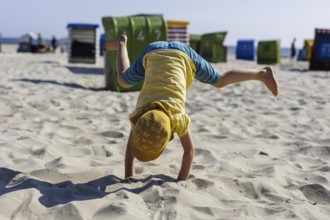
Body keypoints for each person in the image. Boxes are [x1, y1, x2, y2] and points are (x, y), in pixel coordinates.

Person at [104, 35, 278, 181]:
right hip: (163, 52)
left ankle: (262, 74)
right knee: (220, 80)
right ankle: (259, 74)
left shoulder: (173, 118)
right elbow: (188, 151)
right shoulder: (143, 114)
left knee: (123, 81)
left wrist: (180, 180)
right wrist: (131, 176)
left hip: (171, 53)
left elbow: (189, 151)